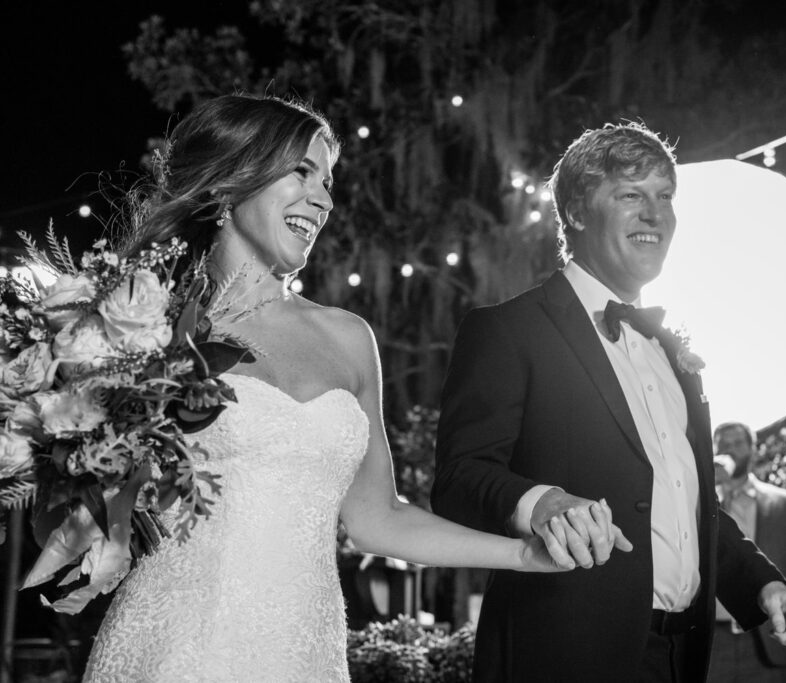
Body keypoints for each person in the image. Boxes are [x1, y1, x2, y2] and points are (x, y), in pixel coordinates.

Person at [83, 94, 571, 682]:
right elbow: (88, 489)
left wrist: (523, 554)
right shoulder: (143, 325)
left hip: (304, 651)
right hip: (176, 646)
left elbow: (377, 517)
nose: (323, 199)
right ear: (231, 181)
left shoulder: (348, 338)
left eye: (329, 180)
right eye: (301, 172)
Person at [431, 122, 786, 683]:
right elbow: (459, 478)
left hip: (681, 657)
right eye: (632, 195)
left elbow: (688, 499)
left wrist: (761, 583)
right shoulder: (508, 331)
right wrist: (541, 502)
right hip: (561, 655)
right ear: (579, 213)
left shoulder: (670, 349)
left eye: (665, 197)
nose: (656, 214)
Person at [709, 422, 786, 682]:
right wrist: (708, 486)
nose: (731, 450)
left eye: (738, 443)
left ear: (753, 449)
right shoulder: (698, 502)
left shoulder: (785, 505)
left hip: (770, 641)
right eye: (723, 444)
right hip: (709, 645)